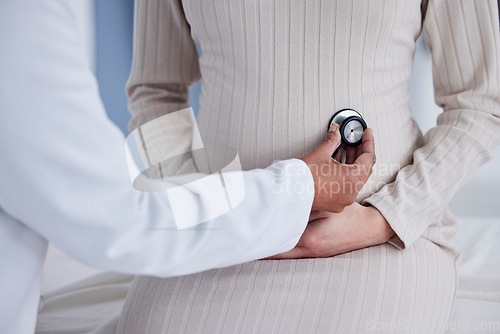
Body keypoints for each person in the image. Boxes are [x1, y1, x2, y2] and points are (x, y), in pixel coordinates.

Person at [116, 0, 500, 333]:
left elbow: (479, 104)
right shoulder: (216, 221)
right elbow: (156, 92)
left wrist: (383, 218)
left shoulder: (380, 224)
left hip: (379, 235)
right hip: (223, 232)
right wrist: (208, 209)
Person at [0, 1, 378, 333]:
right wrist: (287, 193)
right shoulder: (24, 14)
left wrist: (379, 220)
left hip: (365, 229)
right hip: (218, 226)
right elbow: (117, 213)